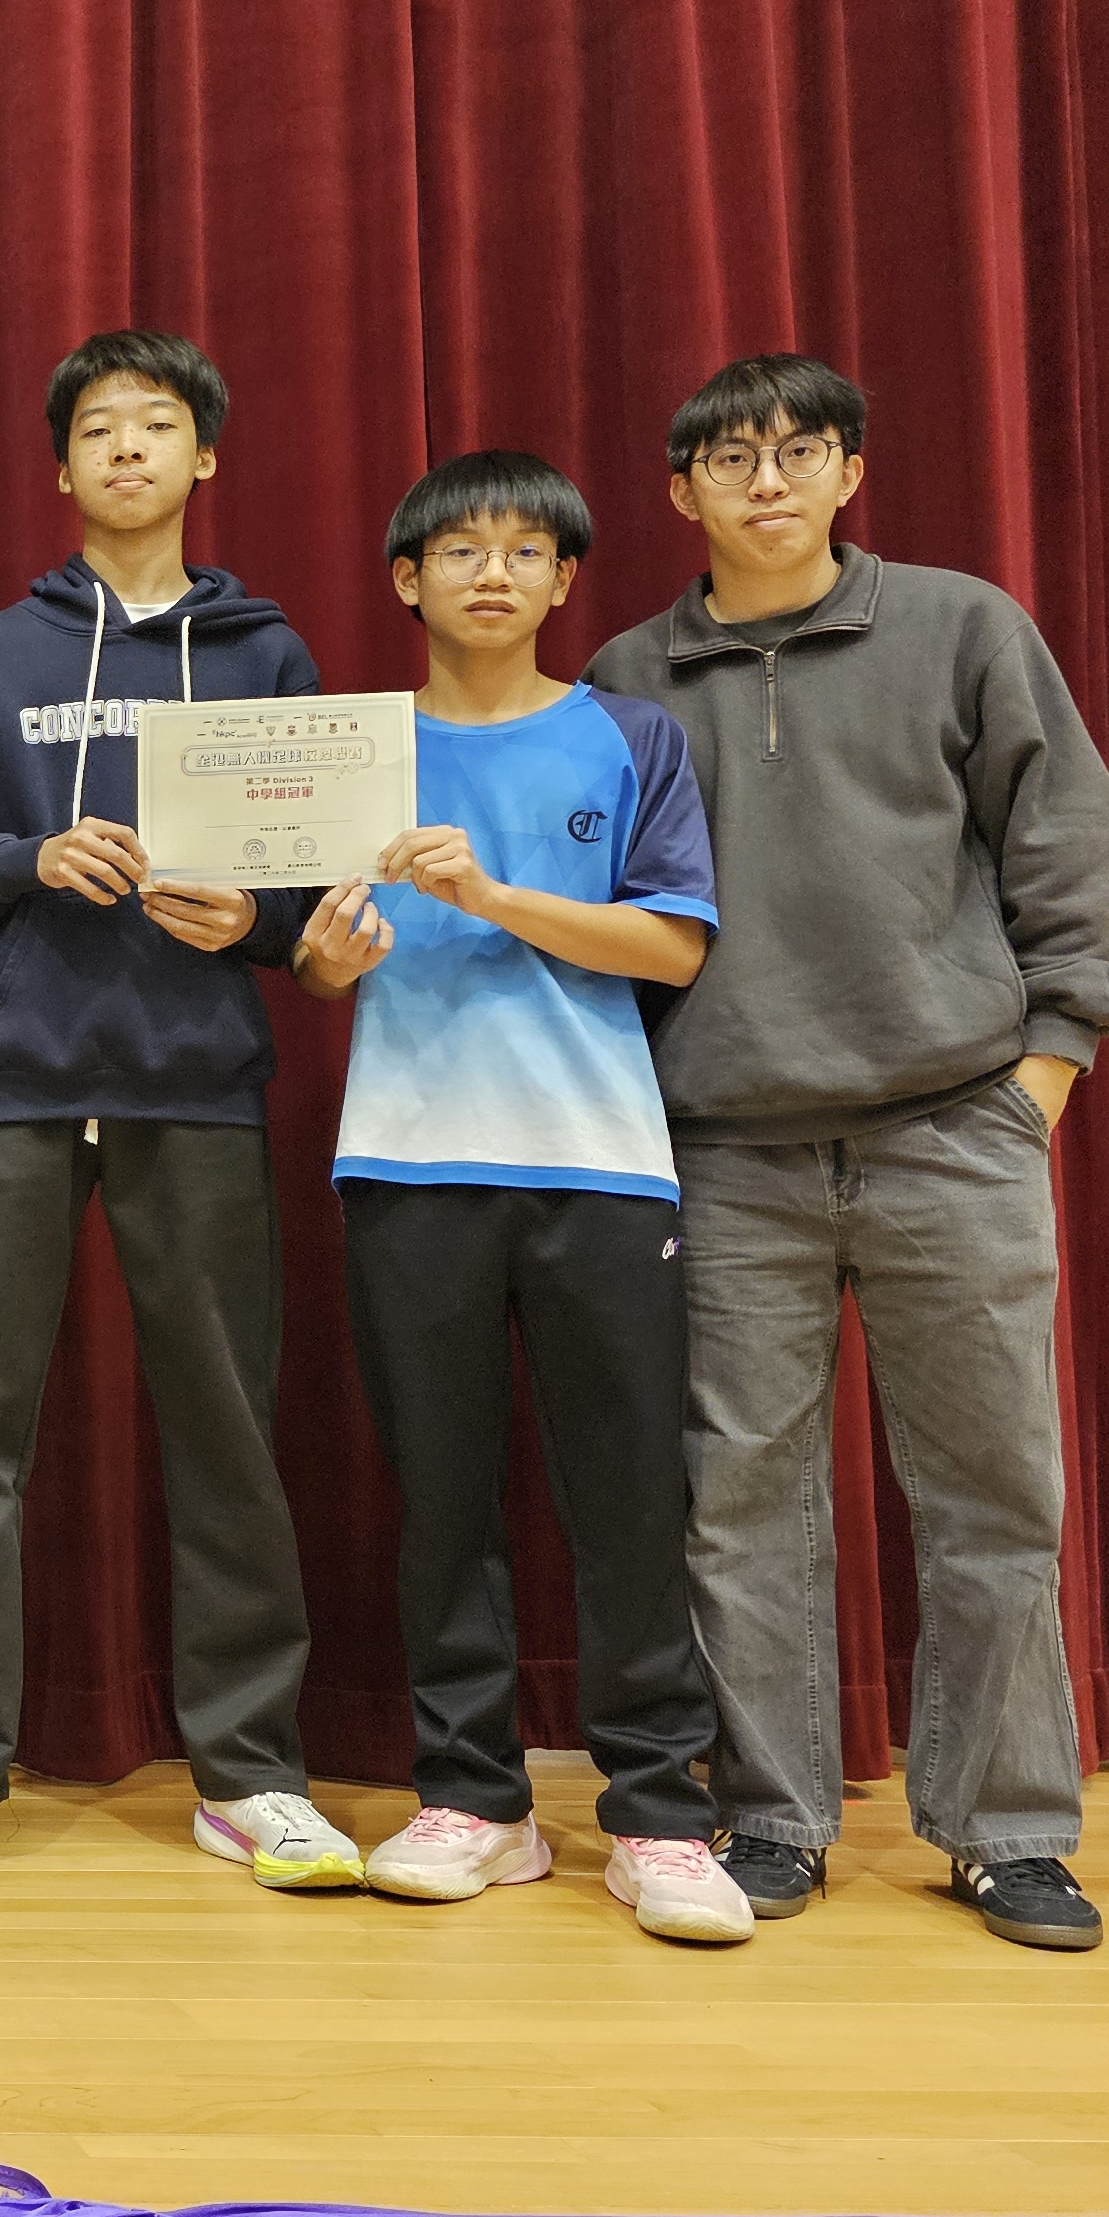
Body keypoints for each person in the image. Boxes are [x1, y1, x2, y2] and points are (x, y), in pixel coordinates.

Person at [585, 354, 1109, 1952]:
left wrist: (1043, 1071)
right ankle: (771, 1816)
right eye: (731, 458)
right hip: (723, 1150)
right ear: (680, 490)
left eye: (800, 451)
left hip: (952, 1131)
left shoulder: (964, 629)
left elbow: (1074, 846)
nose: (767, 481)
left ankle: (1009, 1830)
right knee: (738, 1502)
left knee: (992, 1494)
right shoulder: (627, 676)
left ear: (849, 472)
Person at [0, 330, 365, 1894]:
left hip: (197, 1085)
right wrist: (28, 860)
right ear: (63, 467)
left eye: (158, 425)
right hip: (14, 1086)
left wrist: (261, 926)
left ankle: (252, 1775)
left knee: (225, 1435)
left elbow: (310, 891)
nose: (131, 449)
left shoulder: (267, 657)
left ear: (204, 458)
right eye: (100, 428)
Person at [294, 451, 746, 1943]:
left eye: (524, 550)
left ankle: (659, 1815)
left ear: (565, 581)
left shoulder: (629, 734)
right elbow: (313, 958)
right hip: (407, 1159)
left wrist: (492, 897)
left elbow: (673, 945)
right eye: (459, 549)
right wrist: (327, 961)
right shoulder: (352, 748)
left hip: (597, 1161)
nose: (492, 573)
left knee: (629, 1500)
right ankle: (473, 1801)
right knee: (441, 1503)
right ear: (405, 579)